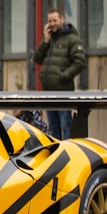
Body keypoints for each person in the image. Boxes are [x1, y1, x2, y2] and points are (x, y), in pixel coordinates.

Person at [33, 8, 86, 139]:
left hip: (63, 92)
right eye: (49, 21)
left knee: (65, 125)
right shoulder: (50, 40)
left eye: (55, 20)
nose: (52, 23)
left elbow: (80, 62)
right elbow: (37, 59)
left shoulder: (72, 39)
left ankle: (67, 154)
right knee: (53, 127)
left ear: (62, 20)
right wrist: (45, 41)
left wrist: (64, 76)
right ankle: (56, 155)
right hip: (48, 93)